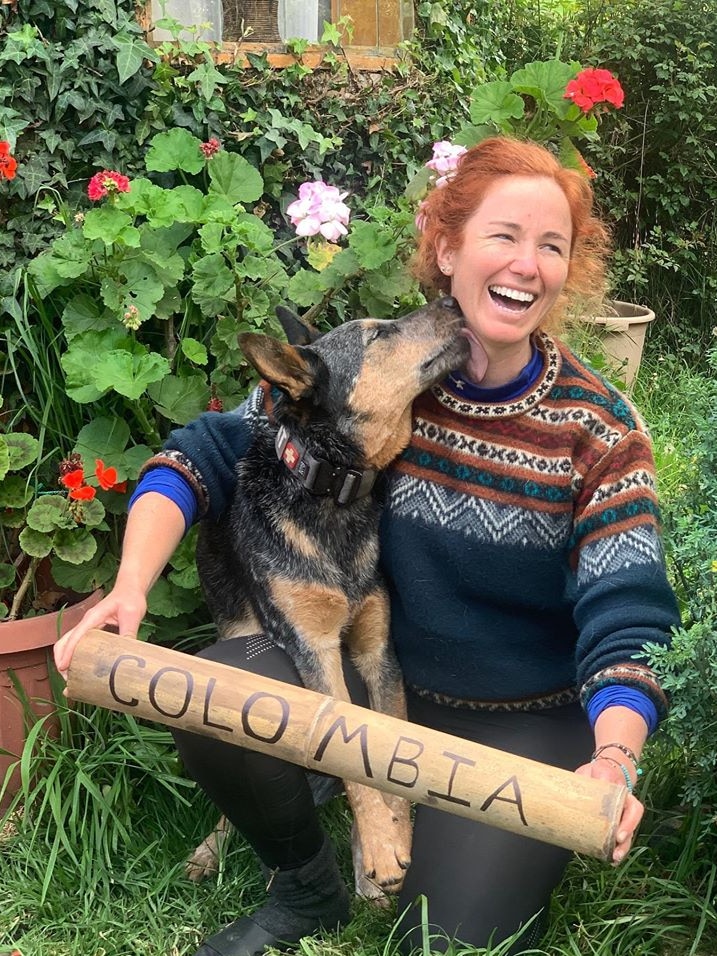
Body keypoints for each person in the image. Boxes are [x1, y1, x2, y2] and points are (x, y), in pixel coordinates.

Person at [54, 137, 680, 956]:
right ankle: (305, 884)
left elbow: (626, 613)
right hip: (381, 699)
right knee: (213, 688)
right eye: (504, 235)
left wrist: (612, 755)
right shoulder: (369, 388)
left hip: (525, 722)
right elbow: (199, 452)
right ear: (448, 248)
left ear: (568, 271)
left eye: (551, 245)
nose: (526, 264)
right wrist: (131, 584)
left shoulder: (597, 428)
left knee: (444, 940)